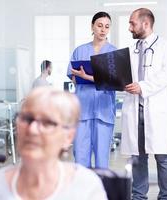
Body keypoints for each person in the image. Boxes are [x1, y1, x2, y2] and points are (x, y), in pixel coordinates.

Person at [0, 87, 108, 200]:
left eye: (47, 122)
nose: (32, 129)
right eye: (27, 118)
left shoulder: (86, 188)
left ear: (68, 136)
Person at [121, 8, 167, 200]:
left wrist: (143, 87)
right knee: (138, 158)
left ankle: (166, 197)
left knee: (163, 157)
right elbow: (124, 78)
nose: (130, 27)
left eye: (132, 23)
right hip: (134, 110)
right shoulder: (131, 50)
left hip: (157, 112)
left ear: (145, 24)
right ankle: (139, 197)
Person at [67, 12, 117, 169]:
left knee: (102, 160)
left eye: (107, 27)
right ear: (92, 26)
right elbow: (73, 77)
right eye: (99, 25)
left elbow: (115, 81)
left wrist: (87, 76)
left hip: (104, 110)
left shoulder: (114, 52)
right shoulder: (79, 51)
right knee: (80, 157)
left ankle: (101, 192)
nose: (103, 30)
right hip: (83, 110)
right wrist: (78, 76)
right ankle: (82, 192)